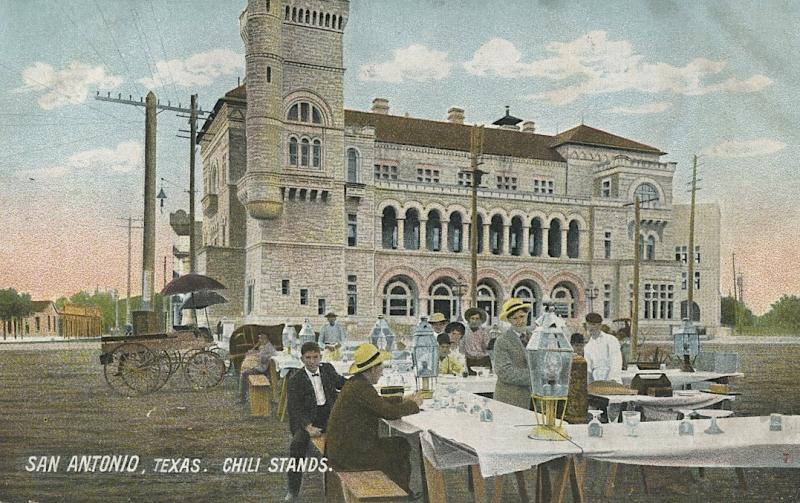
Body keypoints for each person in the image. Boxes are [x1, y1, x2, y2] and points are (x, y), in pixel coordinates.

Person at [326, 343, 423, 494]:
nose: (382, 373)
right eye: (381, 368)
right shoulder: (361, 387)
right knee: (400, 446)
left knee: (399, 445)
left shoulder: (356, 383)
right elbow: (388, 412)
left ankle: (400, 491)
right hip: (349, 456)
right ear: (372, 369)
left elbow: (377, 402)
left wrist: (402, 399)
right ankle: (399, 494)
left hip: (342, 450)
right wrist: (413, 405)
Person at [285, 342, 346, 501]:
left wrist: (359, 381)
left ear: (321, 356)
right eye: (308, 358)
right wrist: (307, 427)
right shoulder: (295, 379)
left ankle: (341, 488)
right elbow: (294, 408)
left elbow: (343, 383)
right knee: (296, 447)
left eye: (315, 357)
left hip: (329, 417)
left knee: (348, 439)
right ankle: (293, 490)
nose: (312, 361)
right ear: (302, 359)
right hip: (308, 420)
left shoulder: (327, 369)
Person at [493, 298, 533, 409]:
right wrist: (534, 377)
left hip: (532, 401)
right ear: (508, 320)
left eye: (522, 316)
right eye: (514, 318)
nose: (519, 321)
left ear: (527, 315)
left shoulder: (534, 337)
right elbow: (504, 372)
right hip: (509, 399)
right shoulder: (502, 341)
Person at [583, 312, 623, 384]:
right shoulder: (588, 346)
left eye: (594, 324)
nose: (591, 327)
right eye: (589, 324)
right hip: (596, 382)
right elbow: (588, 369)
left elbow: (616, 361)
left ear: (600, 325)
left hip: (612, 380)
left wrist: (612, 380)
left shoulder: (610, 340)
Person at [238, 333, 277, 404]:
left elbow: (263, 358)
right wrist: (255, 353)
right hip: (260, 367)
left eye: (260, 338)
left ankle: (242, 398)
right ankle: (243, 396)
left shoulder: (268, 347)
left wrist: (256, 355)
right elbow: (261, 355)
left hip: (262, 370)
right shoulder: (265, 346)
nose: (259, 340)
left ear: (265, 339)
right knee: (245, 368)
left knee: (244, 374)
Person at [460, 307, 492, 374]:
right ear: (469, 320)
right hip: (469, 360)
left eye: (477, 319)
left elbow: (487, 347)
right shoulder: (464, 331)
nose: (475, 321)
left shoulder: (484, 332)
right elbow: (461, 348)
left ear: (480, 320)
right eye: (472, 319)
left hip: (482, 360)